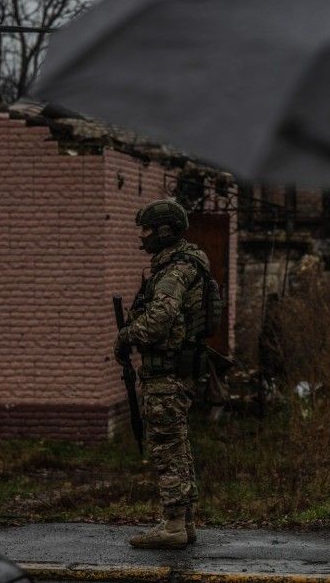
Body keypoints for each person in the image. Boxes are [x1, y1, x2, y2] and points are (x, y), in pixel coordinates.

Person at [114, 198, 210, 549]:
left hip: (166, 375)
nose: (144, 236)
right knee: (178, 446)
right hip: (174, 372)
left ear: (166, 230)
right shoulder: (184, 265)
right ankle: (183, 522)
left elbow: (159, 321)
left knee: (167, 448)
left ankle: (172, 526)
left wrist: (126, 335)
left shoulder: (174, 271)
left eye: (149, 229)